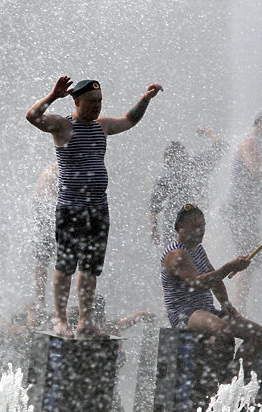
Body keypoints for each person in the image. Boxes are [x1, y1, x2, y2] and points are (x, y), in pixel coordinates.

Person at [26, 76, 163, 337]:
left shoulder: (102, 126)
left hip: (98, 210)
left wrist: (145, 99)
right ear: (76, 101)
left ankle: (85, 321)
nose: (96, 107)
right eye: (91, 102)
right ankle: (61, 320)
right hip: (71, 209)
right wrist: (53, 96)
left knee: (90, 268)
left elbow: (129, 120)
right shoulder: (63, 126)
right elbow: (32, 116)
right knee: (66, 266)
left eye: (99, 102)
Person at [161, 203, 262, 378]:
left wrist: (226, 304)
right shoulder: (177, 254)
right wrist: (228, 267)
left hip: (206, 311)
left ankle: (234, 376)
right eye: (195, 225)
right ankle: (214, 377)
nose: (201, 230)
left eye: (203, 225)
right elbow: (199, 283)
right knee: (222, 329)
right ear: (180, 227)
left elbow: (214, 280)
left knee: (257, 333)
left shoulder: (198, 249)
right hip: (185, 313)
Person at [222, 105, 262, 313]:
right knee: (246, 258)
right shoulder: (250, 142)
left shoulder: (257, 143)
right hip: (239, 208)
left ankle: (238, 305)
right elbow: (257, 172)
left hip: (246, 210)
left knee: (250, 258)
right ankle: (237, 307)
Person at [150, 128, 225, 247]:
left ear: (167, 159)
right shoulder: (196, 165)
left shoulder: (165, 176)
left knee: (173, 258)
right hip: (195, 223)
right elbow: (221, 147)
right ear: (184, 154)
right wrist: (209, 133)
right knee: (194, 256)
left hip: (174, 225)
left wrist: (154, 231)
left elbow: (153, 208)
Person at [31, 162, 58, 323]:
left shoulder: (52, 166)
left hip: (42, 206)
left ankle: (40, 302)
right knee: (61, 259)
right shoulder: (64, 165)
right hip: (50, 206)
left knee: (42, 260)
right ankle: (52, 306)